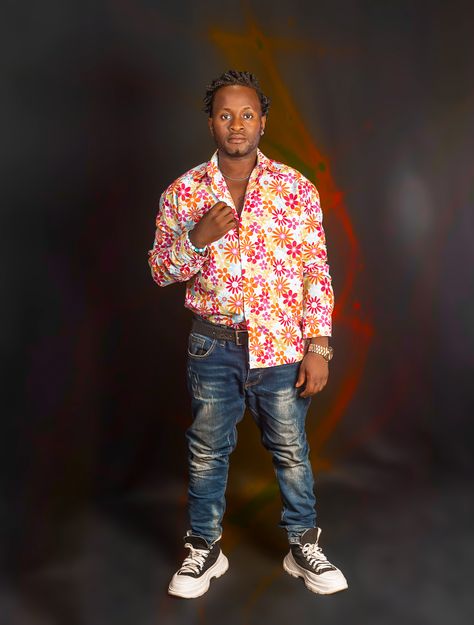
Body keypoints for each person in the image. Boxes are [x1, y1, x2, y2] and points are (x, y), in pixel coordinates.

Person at [148, 70, 348, 598]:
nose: (236, 125)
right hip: (212, 344)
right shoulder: (183, 192)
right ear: (211, 123)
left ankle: (303, 545)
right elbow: (160, 270)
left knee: (290, 449)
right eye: (225, 115)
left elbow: (315, 270)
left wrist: (319, 345)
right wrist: (197, 237)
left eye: (246, 115)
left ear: (263, 122)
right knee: (207, 451)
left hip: (281, 346)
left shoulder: (295, 189)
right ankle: (204, 549)